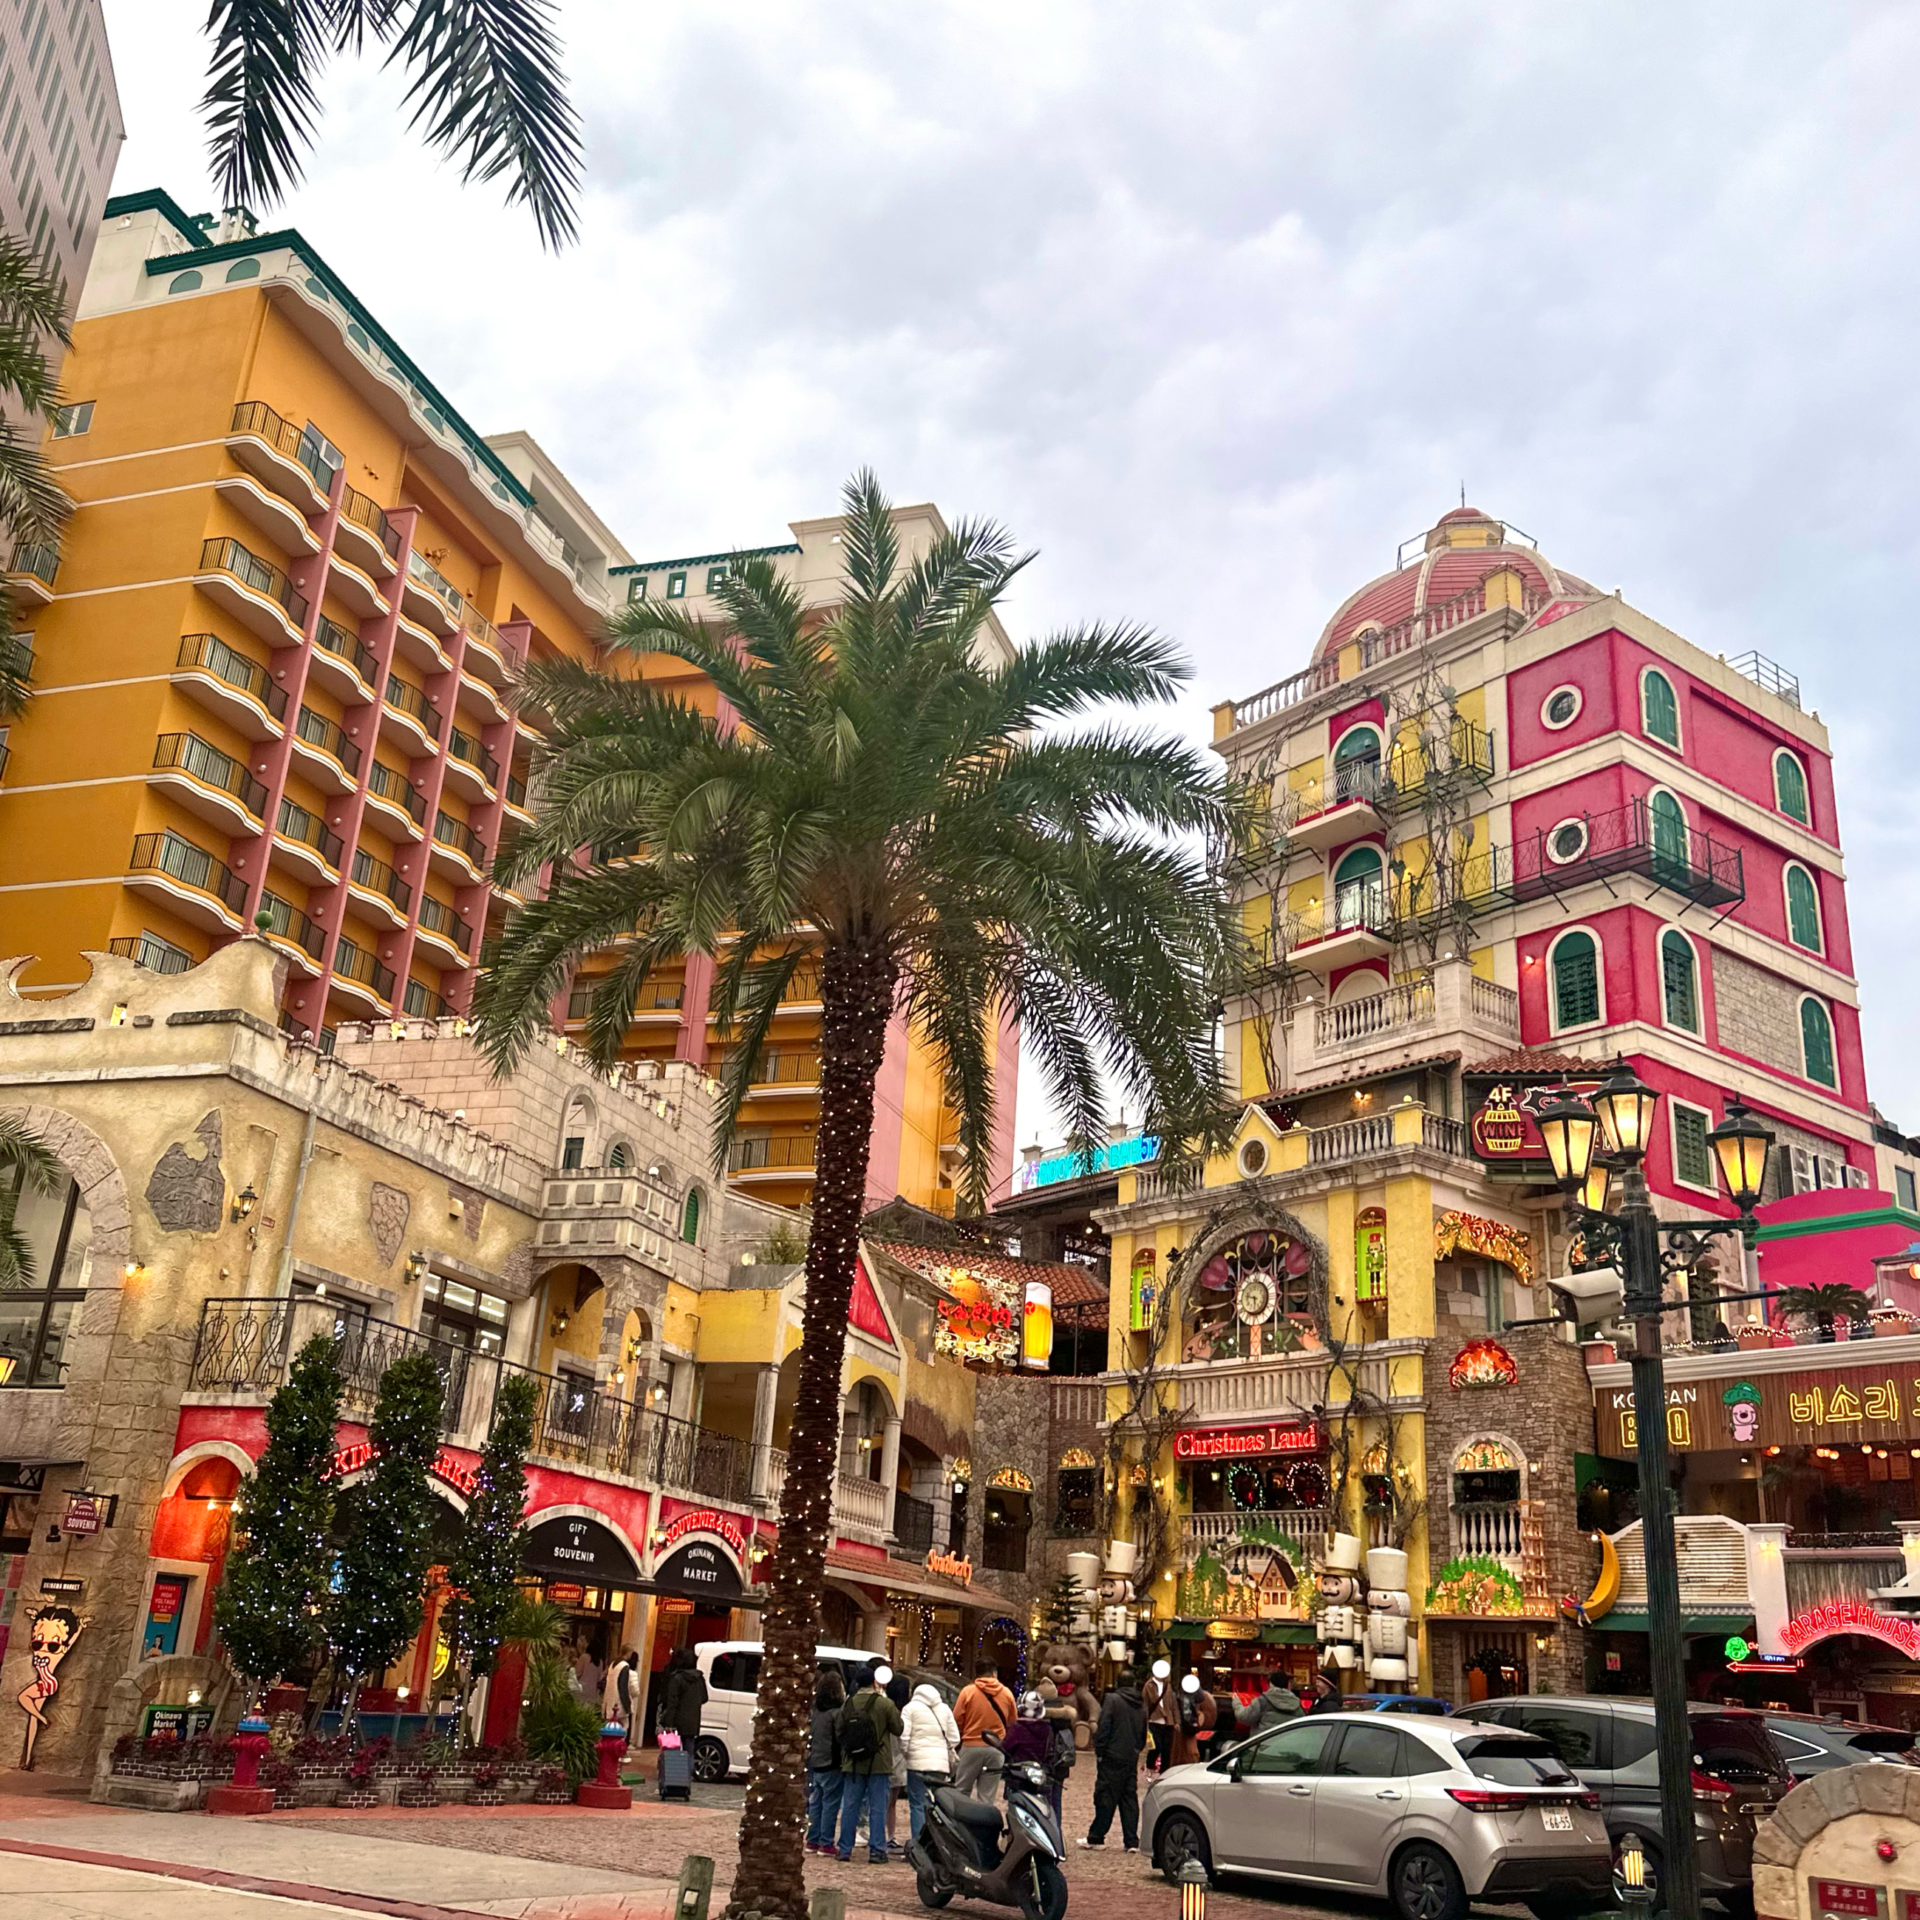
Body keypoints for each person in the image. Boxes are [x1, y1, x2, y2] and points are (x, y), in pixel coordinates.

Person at [837, 1663, 904, 1864]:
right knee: (878, 1806)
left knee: (850, 1806)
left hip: (853, 1762)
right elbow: (898, 1728)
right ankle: (877, 1849)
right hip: (879, 1761)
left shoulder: (848, 1704)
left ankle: (844, 1849)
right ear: (874, 1682)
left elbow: (839, 1731)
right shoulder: (885, 1704)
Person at [1079, 1666, 1147, 1852]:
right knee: (1129, 1798)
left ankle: (1096, 1837)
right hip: (1130, 1756)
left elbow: (1104, 1726)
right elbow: (1143, 1732)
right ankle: (1131, 1841)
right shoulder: (1140, 1703)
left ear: (1118, 1683)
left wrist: (1100, 1751)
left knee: (1105, 1796)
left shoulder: (1112, 1700)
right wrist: (1136, 1750)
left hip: (1112, 1755)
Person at [900, 1680, 962, 1843]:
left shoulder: (909, 1709)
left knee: (917, 1804)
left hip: (916, 1763)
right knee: (935, 1804)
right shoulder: (944, 1709)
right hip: (939, 1765)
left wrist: (906, 1754)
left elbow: (904, 1737)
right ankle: (934, 1843)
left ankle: (918, 1843)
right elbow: (955, 1738)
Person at [953, 1658, 1015, 1797]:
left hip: (971, 1747)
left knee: (961, 1791)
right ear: (994, 1673)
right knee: (987, 1795)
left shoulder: (967, 1692)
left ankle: (962, 1812)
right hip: (996, 1748)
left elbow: (957, 1719)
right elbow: (1012, 1722)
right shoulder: (1007, 1693)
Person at [807, 1669, 847, 1855]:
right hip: (832, 1762)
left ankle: (812, 1840)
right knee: (830, 1803)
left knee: (816, 1802)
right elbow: (840, 1737)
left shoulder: (816, 1711)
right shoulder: (836, 1713)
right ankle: (826, 1842)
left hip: (817, 1760)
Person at [657, 1647, 708, 1788]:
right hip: (693, 1720)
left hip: (676, 1720)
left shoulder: (677, 1678)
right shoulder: (699, 1679)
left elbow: (672, 1702)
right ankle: (685, 1781)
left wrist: (668, 1723)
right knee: (689, 1750)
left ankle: (671, 1779)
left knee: (671, 1751)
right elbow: (704, 1698)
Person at [1037, 1677, 1077, 1824]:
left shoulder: (1038, 1716)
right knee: (1056, 1801)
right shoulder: (1065, 1717)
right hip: (1061, 1764)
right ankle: (1056, 1830)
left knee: (1041, 1801)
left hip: (1044, 1764)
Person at [997, 1690, 1053, 1790]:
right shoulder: (1047, 1728)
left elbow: (1004, 1747)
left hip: (1018, 1773)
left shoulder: (1017, 1728)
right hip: (1038, 1772)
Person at [884, 1666, 913, 1848]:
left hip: (885, 1758)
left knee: (882, 1802)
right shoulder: (906, 1712)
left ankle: (884, 1835)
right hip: (899, 1760)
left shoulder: (886, 1707)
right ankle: (890, 1835)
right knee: (891, 1802)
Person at [1168, 1671, 1215, 1768]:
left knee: (1181, 1752)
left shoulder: (1178, 1695)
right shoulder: (1193, 1697)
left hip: (1182, 1727)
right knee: (1190, 1752)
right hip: (1188, 1727)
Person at [1233, 1672, 1301, 1739]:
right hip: (1287, 1744)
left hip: (1264, 1743)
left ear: (1270, 1684)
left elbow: (1244, 1717)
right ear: (1288, 1685)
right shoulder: (1297, 1705)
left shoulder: (1263, 1701)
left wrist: (1236, 1702)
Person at [1142, 1658, 1174, 1775]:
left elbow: (1173, 1704)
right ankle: (1150, 1766)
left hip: (1168, 1721)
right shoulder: (1148, 1685)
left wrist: (1176, 1721)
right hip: (1154, 1720)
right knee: (1156, 1747)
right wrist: (1145, 1721)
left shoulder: (1168, 1685)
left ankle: (1164, 1772)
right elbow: (1145, 1704)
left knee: (1166, 1749)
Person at [604, 1647, 640, 1739]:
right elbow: (623, 1687)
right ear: (628, 1652)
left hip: (609, 1702)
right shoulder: (624, 1666)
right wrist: (627, 1706)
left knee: (608, 1728)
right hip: (619, 1703)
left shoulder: (613, 1664)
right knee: (624, 1727)